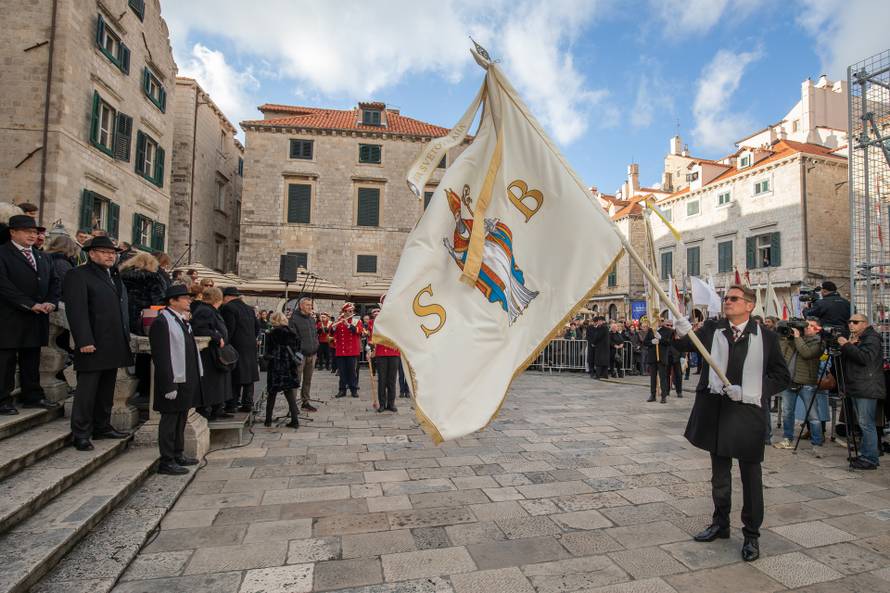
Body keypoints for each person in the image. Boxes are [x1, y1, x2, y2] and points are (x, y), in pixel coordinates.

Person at [674, 284, 790, 562]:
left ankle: (751, 535)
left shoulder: (766, 337)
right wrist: (679, 329)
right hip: (717, 412)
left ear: (749, 305)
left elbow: (781, 376)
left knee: (751, 478)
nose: (727, 302)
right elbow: (684, 345)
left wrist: (752, 390)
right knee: (720, 476)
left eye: (734, 299)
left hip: (747, 414)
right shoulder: (713, 329)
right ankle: (720, 523)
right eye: (726, 298)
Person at [63, 236, 133, 450]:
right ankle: (81, 433)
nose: (110, 255)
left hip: (113, 341)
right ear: (92, 254)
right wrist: (84, 340)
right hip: (92, 342)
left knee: (106, 389)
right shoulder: (78, 275)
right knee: (87, 390)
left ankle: (102, 426)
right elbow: (77, 311)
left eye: (112, 252)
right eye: (104, 252)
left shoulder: (113, 276)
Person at [0, 215, 61, 414]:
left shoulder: (43, 256)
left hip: (37, 317)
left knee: (32, 359)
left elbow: (54, 282)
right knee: (6, 361)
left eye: (35, 232)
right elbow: (4, 286)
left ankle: (32, 396)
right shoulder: (2, 254)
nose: (32, 235)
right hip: (10, 316)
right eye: (27, 231)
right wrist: (29, 304)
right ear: (13, 232)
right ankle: (3, 400)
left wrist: (51, 302)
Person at [149, 284, 202, 475]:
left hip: (185, 379)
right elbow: (161, 356)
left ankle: (178, 453)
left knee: (181, 418)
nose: (189, 301)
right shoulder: (162, 323)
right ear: (172, 301)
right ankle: (166, 459)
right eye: (185, 298)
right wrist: (168, 383)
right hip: (172, 379)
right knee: (170, 421)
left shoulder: (180, 321)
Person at [838, 314, 885, 469]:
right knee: (862, 423)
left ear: (865, 324)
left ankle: (870, 458)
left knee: (866, 424)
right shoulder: (860, 338)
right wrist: (849, 345)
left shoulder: (872, 338)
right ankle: (865, 454)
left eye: (855, 322)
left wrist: (847, 346)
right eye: (849, 321)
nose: (851, 324)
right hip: (859, 386)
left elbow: (865, 358)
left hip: (867, 387)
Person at [773, 319, 825, 456]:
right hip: (789, 381)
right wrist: (785, 337)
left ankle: (817, 443)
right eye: (805, 326)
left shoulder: (818, 342)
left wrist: (797, 338)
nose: (806, 328)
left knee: (813, 415)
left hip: (806, 382)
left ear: (816, 329)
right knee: (787, 413)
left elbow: (807, 353)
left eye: (809, 326)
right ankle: (787, 438)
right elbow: (781, 353)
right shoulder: (794, 339)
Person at [190, 286, 233, 421]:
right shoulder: (205, 311)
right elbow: (199, 328)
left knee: (218, 382)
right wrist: (216, 336)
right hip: (209, 354)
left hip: (215, 352)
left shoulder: (209, 310)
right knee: (211, 383)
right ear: (217, 298)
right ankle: (208, 410)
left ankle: (217, 409)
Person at [221, 286, 260, 412]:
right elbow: (257, 326)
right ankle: (247, 403)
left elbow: (229, 329)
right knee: (249, 375)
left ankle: (232, 404)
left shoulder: (228, 308)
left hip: (236, 346)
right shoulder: (249, 308)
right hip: (250, 345)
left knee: (235, 375)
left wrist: (226, 343)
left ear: (227, 297)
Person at [263, 312, 301, 429]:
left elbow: (268, 353)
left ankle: (268, 420)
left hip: (276, 367)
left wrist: (267, 357)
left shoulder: (271, 334)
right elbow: (297, 349)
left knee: (272, 394)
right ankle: (295, 420)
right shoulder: (292, 333)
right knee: (289, 395)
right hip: (289, 367)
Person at [288, 297, 320, 412]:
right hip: (300, 355)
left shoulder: (311, 319)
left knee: (308, 379)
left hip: (312, 354)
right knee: (297, 380)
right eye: (307, 305)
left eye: (310, 305)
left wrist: (316, 345)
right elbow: (292, 338)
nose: (310, 307)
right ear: (301, 306)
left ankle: (305, 401)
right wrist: (299, 350)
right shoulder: (294, 319)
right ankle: (292, 405)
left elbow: (315, 334)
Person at [369, 304, 400, 412]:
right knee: (382, 380)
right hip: (381, 353)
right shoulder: (376, 322)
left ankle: (391, 404)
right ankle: (382, 404)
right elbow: (371, 336)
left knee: (391, 380)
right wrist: (371, 347)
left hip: (394, 352)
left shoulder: (397, 321)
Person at [333, 302, 363, 398]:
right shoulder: (339, 320)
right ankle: (342, 390)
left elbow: (359, 331)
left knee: (352, 371)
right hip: (341, 350)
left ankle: (353, 389)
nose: (351, 312)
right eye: (348, 311)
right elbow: (334, 335)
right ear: (344, 312)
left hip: (352, 351)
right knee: (342, 372)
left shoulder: (356, 320)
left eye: (352, 311)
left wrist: (348, 325)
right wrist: (333, 328)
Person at [644, 320, 672, 403]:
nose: (659, 322)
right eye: (658, 320)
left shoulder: (668, 331)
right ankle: (653, 395)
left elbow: (669, 342)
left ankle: (664, 396)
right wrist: (651, 342)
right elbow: (645, 342)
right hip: (653, 357)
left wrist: (661, 339)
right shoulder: (651, 330)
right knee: (653, 377)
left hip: (662, 357)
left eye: (661, 321)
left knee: (663, 377)